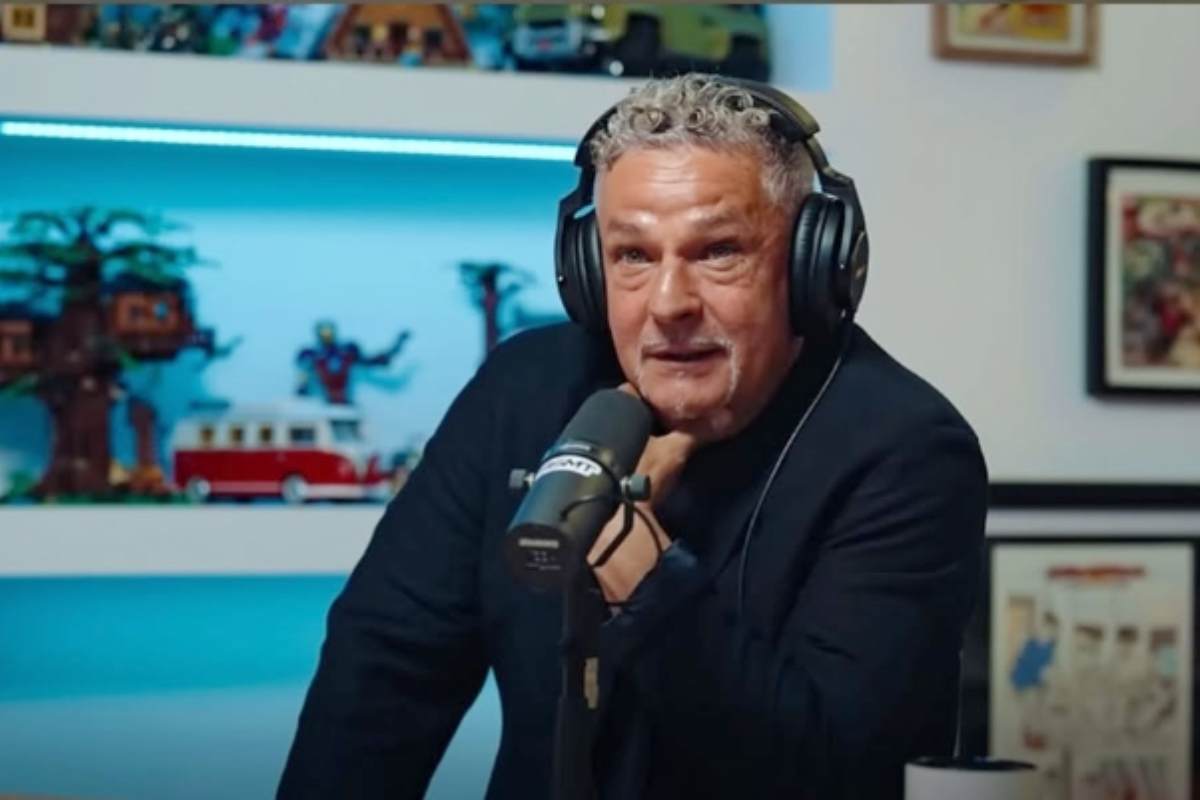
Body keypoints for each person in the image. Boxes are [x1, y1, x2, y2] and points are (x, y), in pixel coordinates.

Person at [278, 73, 987, 800]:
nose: (669, 304)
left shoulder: (908, 453)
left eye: (718, 251)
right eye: (634, 257)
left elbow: (837, 771)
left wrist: (642, 574)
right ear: (589, 271)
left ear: (810, 265)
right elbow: (383, 670)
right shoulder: (522, 393)